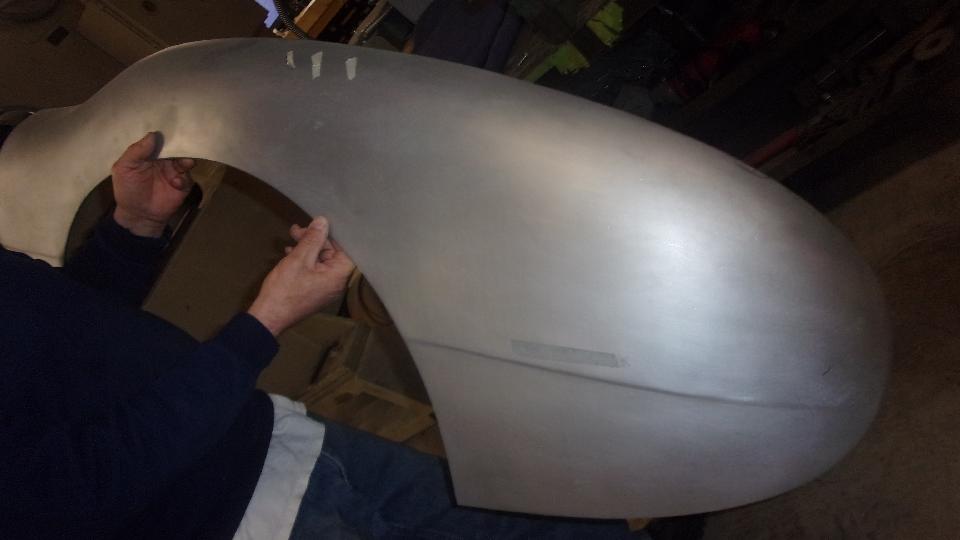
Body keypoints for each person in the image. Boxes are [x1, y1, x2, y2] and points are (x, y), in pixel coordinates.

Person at [0, 132, 645, 539]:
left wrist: (132, 228)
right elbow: (72, 492)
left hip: (275, 437)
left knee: (534, 528)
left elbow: (56, 334)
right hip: (244, 519)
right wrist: (265, 322)